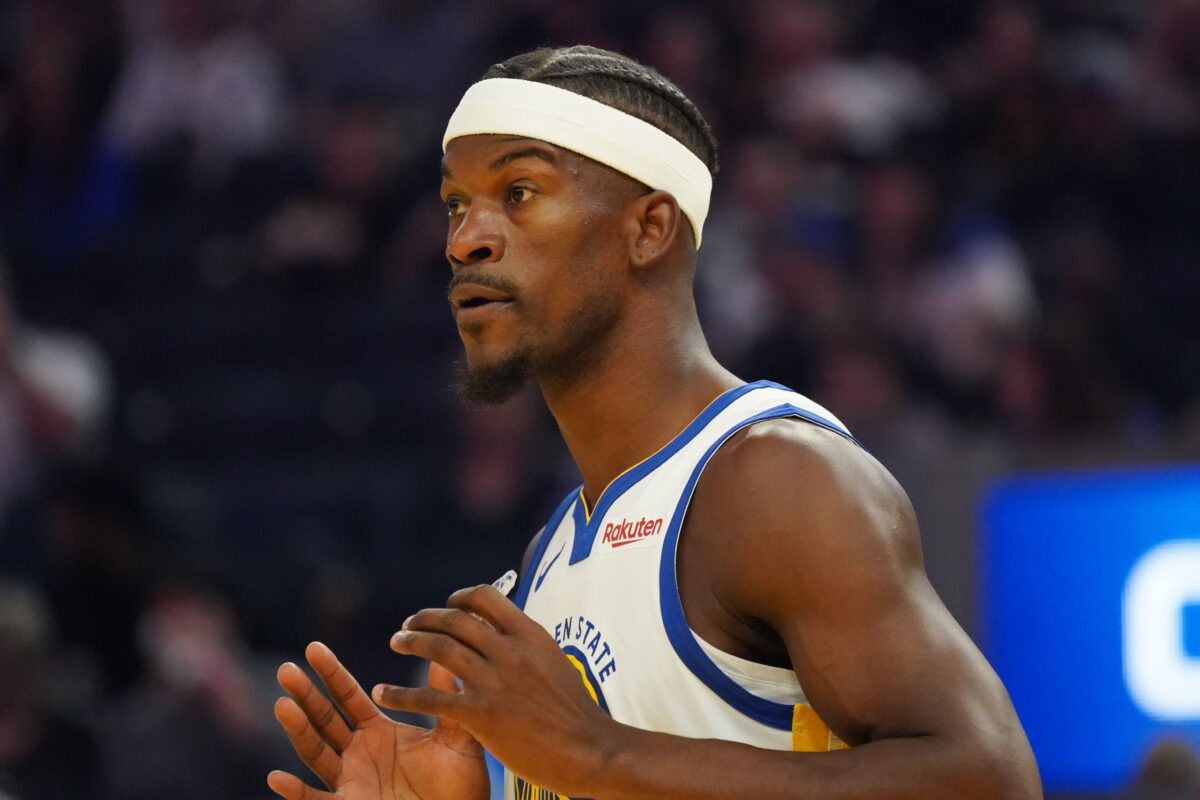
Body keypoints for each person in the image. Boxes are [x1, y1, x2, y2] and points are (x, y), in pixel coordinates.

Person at [267, 45, 1042, 800]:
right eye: (455, 203)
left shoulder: (773, 478)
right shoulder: (551, 555)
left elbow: (987, 780)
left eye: (521, 192)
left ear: (648, 229)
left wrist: (597, 755)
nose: (465, 238)